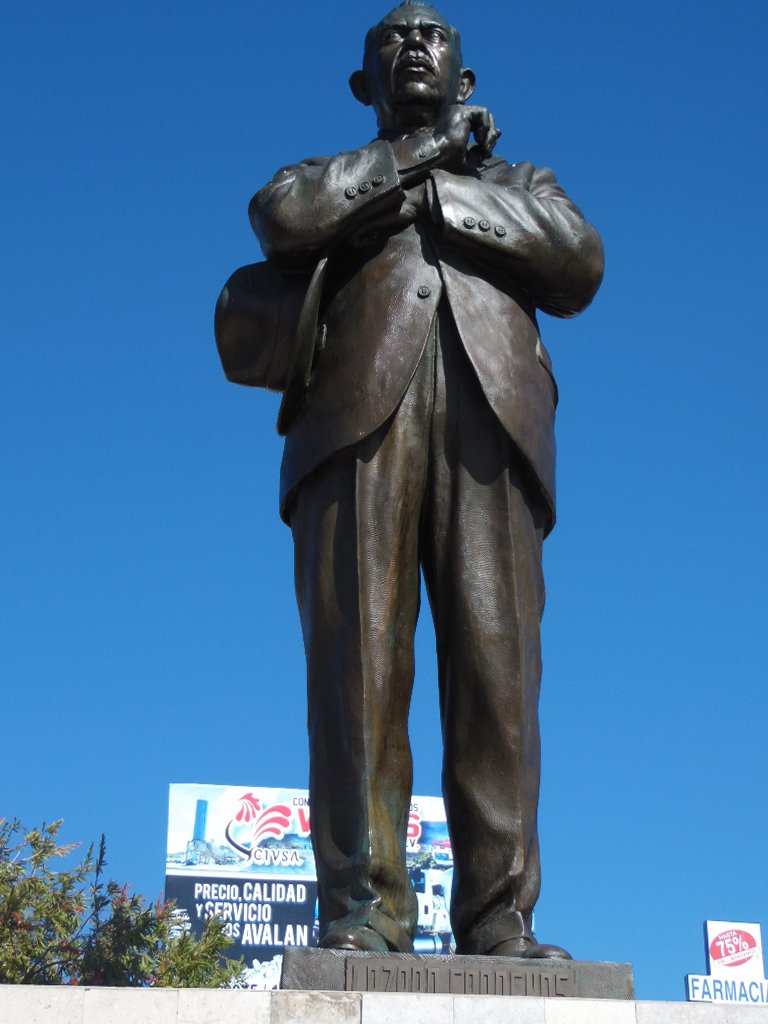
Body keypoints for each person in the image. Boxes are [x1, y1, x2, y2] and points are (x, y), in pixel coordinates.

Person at [247, 2, 603, 959]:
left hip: (494, 424)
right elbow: (282, 218)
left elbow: (577, 261)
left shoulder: (522, 184)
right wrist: (421, 155)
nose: (415, 44)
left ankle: (499, 917)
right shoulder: (329, 181)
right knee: (356, 672)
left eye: (435, 35)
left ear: (468, 79)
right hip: (354, 421)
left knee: (498, 674)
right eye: (393, 38)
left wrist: (445, 191)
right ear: (365, 85)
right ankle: (363, 911)